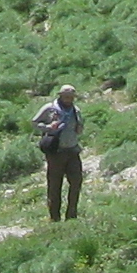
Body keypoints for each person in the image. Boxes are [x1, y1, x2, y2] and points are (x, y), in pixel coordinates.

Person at [35, 86, 86, 222]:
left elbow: (79, 128)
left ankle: (72, 215)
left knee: (76, 182)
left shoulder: (76, 110)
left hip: (73, 151)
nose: (69, 99)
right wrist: (48, 127)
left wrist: (79, 128)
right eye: (66, 96)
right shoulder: (49, 108)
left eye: (71, 97)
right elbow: (34, 122)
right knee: (55, 185)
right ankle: (54, 217)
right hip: (56, 152)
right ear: (61, 96)